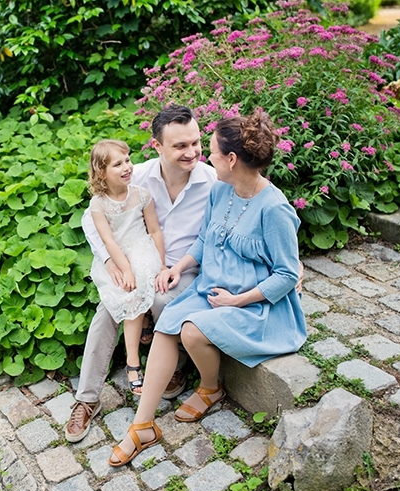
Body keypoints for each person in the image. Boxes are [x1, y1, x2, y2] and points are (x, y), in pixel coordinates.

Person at [108, 110, 308, 466]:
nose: (204, 157)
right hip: (211, 289)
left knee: (191, 329)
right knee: (169, 321)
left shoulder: (274, 208)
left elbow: (287, 275)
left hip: (257, 307)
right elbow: (205, 239)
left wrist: (238, 300)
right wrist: (178, 267)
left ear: (231, 160)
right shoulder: (221, 190)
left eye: (211, 151)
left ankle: (210, 387)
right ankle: (142, 426)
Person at [65, 105, 218, 443]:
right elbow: (93, 220)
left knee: (164, 300)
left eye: (195, 142)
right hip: (136, 264)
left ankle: (174, 368)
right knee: (107, 311)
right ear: (156, 146)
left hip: (184, 270)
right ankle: (87, 399)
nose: (192, 152)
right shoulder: (137, 176)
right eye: (180, 146)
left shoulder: (212, 181)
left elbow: (239, 212)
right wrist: (111, 264)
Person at [86, 140, 167, 395]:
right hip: (117, 255)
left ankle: (133, 362)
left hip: (142, 248)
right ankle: (137, 347)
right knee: (126, 290)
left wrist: (162, 265)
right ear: (101, 172)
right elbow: (108, 240)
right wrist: (125, 268)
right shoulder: (98, 205)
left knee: (140, 282)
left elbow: (154, 230)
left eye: (128, 160)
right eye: (118, 164)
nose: (126, 167)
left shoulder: (141, 194)